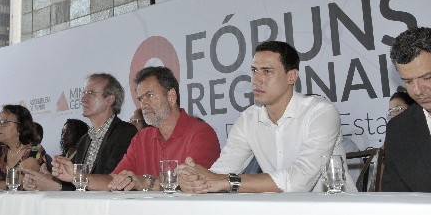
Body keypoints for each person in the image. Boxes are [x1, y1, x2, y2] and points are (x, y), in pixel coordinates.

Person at [177, 41, 355, 193]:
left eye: (267, 71)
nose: (256, 80)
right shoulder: (248, 119)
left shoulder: (321, 112)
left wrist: (227, 181)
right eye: (254, 70)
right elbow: (222, 170)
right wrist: (194, 179)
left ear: (291, 76)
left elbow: (299, 181)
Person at [52, 66, 220, 191]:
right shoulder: (142, 138)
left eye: (149, 95)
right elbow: (113, 180)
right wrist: (76, 176)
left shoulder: (201, 134)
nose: (143, 104)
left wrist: (144, 182)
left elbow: (193, 182)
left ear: (171, 96)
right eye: (140, 99)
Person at [25, 73, 137, 191]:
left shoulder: (126, 133)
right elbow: (77, 183)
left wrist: (58, 187)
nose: (83, 99)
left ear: (109, 99)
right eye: (83, 93)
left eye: (91, 93)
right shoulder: (84, 140)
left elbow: (114, 182)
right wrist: (49, 179)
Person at [382, 26, 431, 192]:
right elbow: (396, 198)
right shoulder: (399, 130)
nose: (417, 90)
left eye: (427, 77)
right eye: (408, 81)